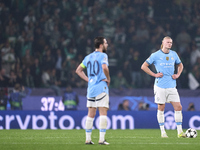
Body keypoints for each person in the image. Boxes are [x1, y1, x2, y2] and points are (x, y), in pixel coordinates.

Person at [141, 36, 186, 138]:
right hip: (160, 86)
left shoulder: (174, 54)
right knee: (161, 108)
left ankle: (180, 132)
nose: (169, 44)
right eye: (167, 42)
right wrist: (154, 74)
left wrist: (178, 74)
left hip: (172, 85)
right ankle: (163, 132)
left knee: (178, 107)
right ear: (163, 43)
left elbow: (180, 65)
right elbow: (143, 66)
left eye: (171, 42)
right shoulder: (155, 55)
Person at [76, 36, 110, 145]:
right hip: (101, 87)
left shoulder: (88, 57)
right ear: (101, 45)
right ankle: (101, 139)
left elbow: (78, 70)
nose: (107, 45)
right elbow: (104, 67)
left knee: (90, 113)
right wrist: (108, 78)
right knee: (103, 112)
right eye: (105, 43)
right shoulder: (103, 55)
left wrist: (88, 80)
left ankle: (88, 139)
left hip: (90, 89)